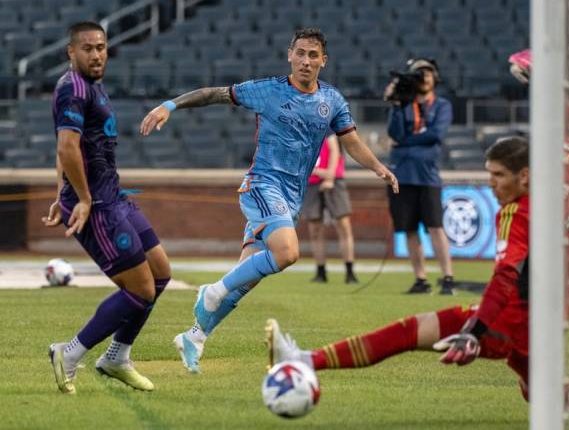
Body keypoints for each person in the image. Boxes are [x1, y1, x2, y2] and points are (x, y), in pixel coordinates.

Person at [267, 55, 569, 425]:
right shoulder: (566, 175)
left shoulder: (518, 212)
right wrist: (545, 86)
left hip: (512, 317)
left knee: (409, 331)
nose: (491, 185)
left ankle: (304, 359)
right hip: (550, 316)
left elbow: (505, 276)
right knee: (536, 388)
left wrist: (475, 331)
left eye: (497, 176)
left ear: (524, 177)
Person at [139, 28, 398, 373]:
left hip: (291, 198)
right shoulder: (267, 91)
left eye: (313, 55)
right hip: (262, 186)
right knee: (288, 252)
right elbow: (213, 94)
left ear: (324, 60)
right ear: (289, 55)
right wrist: (169, 105)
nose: (306, 61)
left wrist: (379, 167)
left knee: (245, 279)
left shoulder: (332, 101)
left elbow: (351, 143)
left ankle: (195, 336)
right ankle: (210, 290)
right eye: (300, 53)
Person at [44, 22, 172, 394]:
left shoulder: (91, 86)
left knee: (161, 273)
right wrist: (79, 199)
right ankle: (69, 353)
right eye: (87, 48)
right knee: (141, 289)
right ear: (71, 52)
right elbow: (67, 148)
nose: (96, 54)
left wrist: (60, 193)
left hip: (112, 197)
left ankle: (116, 356)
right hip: (97, 206)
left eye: (101, 47)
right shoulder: (73, 88)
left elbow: (68, 149)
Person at [385, 58, 454, 295]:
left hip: (428, 176)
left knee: (436, 227)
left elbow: (435, 135)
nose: (423, 77)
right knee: (410, 229)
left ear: (435, 77)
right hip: (402, 175)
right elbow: (393, 132)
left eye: (427, 73)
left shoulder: (442, 105)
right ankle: (421, 279)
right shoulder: (404, 104)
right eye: (418, 73)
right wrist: (395, 103)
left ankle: (447, 278)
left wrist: (404, 142)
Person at [302, 134, 359, 283]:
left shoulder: (327, 121)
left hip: (334, 180)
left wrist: (330, 176)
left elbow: (334, 150)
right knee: (314, 229)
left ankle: (349, 271)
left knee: (343, 225)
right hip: (311, 182)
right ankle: (320, 271)